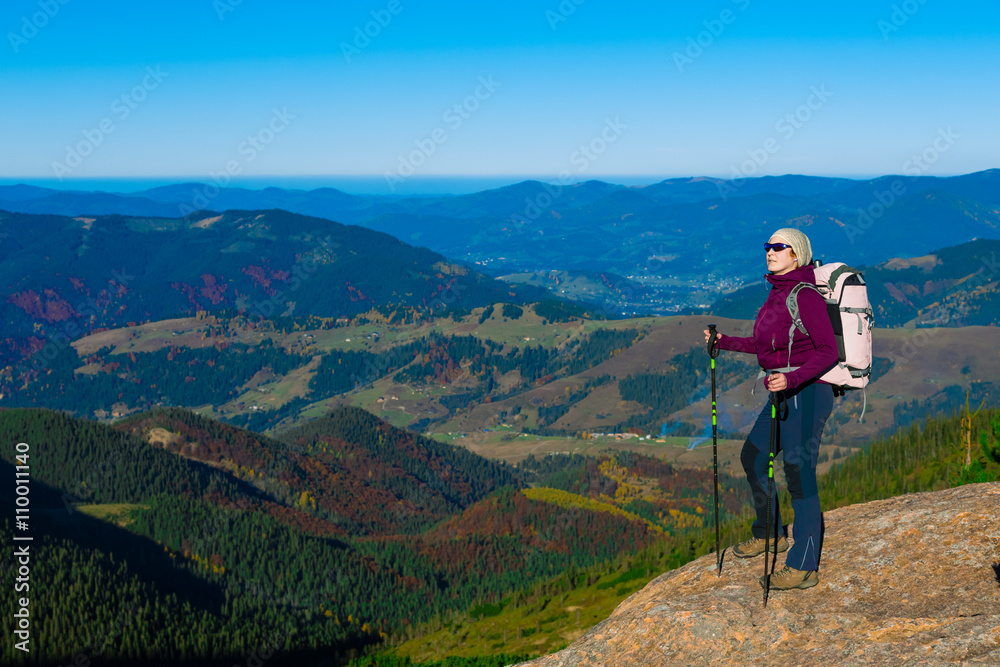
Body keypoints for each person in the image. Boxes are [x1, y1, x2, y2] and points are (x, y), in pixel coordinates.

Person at [704, 228, 838, 591]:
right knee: (754, 456)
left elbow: (829, 351)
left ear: (797, 255)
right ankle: (769, 533)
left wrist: (791, 382)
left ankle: (804, 566)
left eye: (780, 247)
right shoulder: (777, 294)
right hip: (783, 394)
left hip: (808, 394)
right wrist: (724, 342)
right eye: (768, 246)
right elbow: (768, 349)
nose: (770, 251)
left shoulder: (805, 295)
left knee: (799, 473)